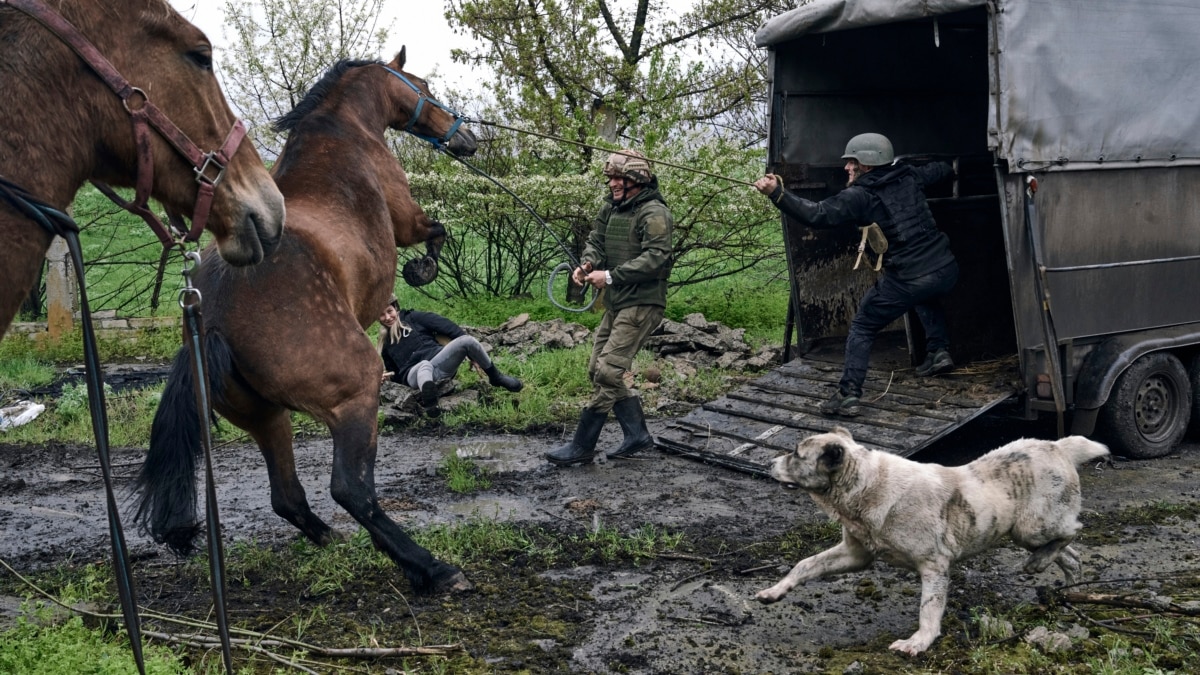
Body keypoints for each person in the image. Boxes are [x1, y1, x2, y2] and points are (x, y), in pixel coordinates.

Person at [753, 132, 958, 418]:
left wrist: (777, 193)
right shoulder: (910, 176)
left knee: (862, 325)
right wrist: (947, 165)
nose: (847, 168)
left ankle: (848, 394)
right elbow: (942, 170)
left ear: (868, 165)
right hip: (945, 268)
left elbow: (818, 215)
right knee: (924, 291)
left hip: (911, 277)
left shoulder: (860, 196)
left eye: (852, 163)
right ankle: (938, 351)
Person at [545, 148, 674, 467]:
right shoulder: (611, 207)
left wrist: (612, 276)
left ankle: (582, 446)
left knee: (607, 372)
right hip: (618, 303)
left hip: (643, 303)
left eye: (619, 178)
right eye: (611, 178)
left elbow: (657, 258)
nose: (613, 183)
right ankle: (638, 435)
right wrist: (588, 263)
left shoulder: (654, 212)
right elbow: (596, 241)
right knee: (596, 369)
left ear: (637, 181)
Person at [378, 299, 522, 417]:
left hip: (440, 362)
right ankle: (430, 402)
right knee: (424, 366)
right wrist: (386, 378)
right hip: (414, 374)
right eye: (382, 315)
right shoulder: (385, 345)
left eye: (389, 311)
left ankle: (496, 377)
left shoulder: (413, 318)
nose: (388, 317)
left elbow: (446, 326)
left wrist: (472, 355)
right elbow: (395, 375)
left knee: (467, 340)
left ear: (396, 308)